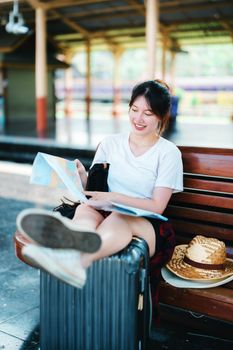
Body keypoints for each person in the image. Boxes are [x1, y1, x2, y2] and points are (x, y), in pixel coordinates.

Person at [17, 79, 183, 289]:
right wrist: (82, 177)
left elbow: (157, 206)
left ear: (161, 115)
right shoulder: (110, 143)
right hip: (106, 208)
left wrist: (114, 198)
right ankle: (67, 249)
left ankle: (76, 263)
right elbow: (93, 192)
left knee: (119, 218)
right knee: (85, 209)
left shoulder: (168, 153)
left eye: (148, 113)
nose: (138, 118)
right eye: (134, 109)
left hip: (148, 223)